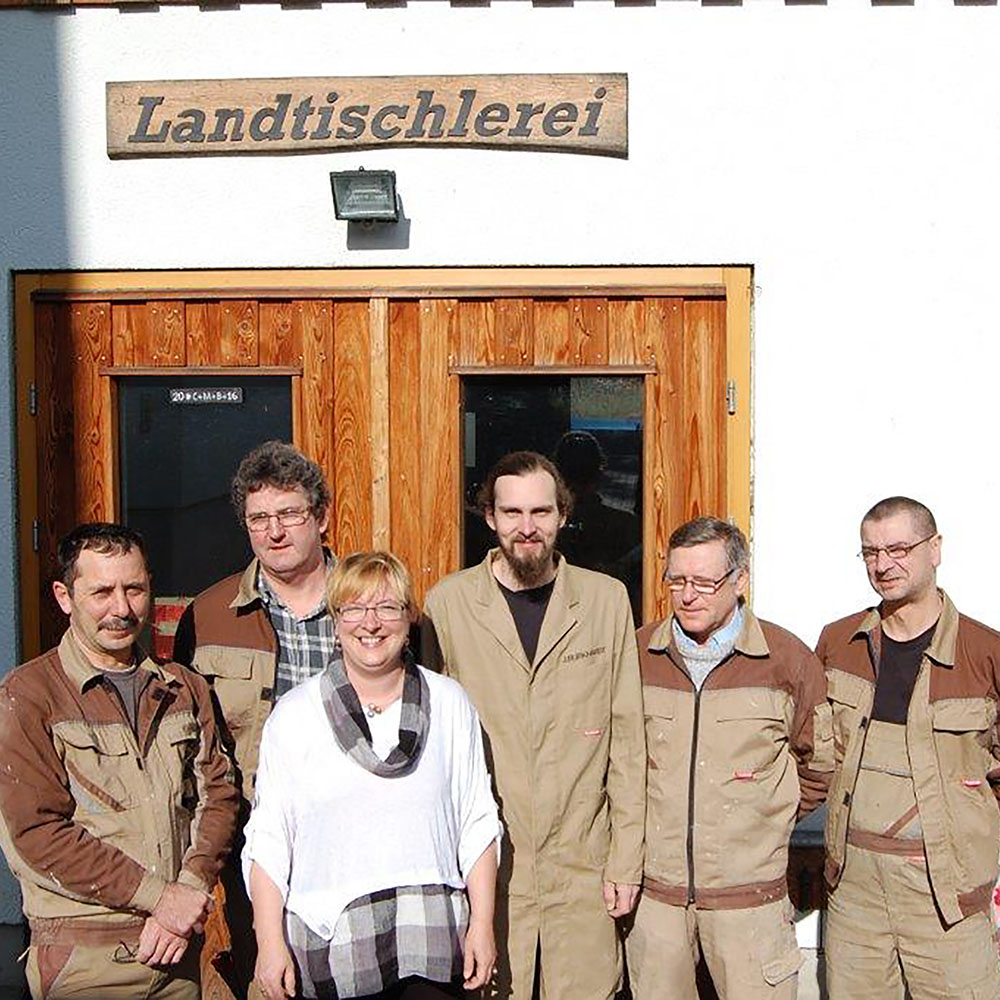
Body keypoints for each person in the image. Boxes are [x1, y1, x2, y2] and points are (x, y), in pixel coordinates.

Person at [422, 450, 645, 1000]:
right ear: (490, 517)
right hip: (489, 875)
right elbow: (430, 747)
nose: (527, 528)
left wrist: (626, 859)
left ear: (563, 515)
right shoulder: (448, 605)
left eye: (541, 512)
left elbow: (628, 743)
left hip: (583, 868)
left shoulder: (605, 600)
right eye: (512, 512)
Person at [244, 551, 501, 1000]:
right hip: (333, 946)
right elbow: (268, 839)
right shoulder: (295, 715)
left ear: (408, 618)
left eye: (387, 607)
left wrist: (482, 923)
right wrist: (268, 943)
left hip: (430, 943)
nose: (371, 623)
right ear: (335, 618)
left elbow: (477, 821)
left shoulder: (449, 702)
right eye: (355, 608)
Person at [0, 523, 238, 1000]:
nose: (122, 609)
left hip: (177, 953)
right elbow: (38, 833)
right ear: (64, 596)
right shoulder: (29, 696)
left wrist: (188, 892)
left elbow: (219, 794)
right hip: (86, 959)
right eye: (102, 592)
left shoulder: (182, 688)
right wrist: (160, 898)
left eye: (134, 589)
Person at [626, 516, 832, 1000]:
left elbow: (821, 761)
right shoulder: (638, 654)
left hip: (750, 905)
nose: (688, 595)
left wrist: (765, 815)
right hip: (656, 902)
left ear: (740, 581)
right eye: (677, 580)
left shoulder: (786, 660)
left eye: (704, 582)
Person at [817, 497, 1000, 999]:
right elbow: (814, 757)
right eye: (870, 551)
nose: (883, 564)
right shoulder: (838, 643)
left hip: (946, 895)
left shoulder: (986, 655)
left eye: (898, 548)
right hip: (854, 889)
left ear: (935, 549)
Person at [172, 440, 336, 992]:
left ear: (321, 517)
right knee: (268, 977)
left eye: (290, 514)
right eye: (259, 518)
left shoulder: (372, 602)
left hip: (352, 835)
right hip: (254, 841)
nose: (275, 532)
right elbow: (187, 738)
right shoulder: (211, 614)